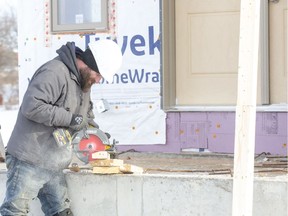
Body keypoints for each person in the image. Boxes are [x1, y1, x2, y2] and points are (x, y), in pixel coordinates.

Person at [0, 39, 122, 216]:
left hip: (53, 160)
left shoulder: (83, 80)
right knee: (14, 212)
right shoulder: (54, 72)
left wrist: (96, 135)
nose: (98, 79)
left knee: (60, 211)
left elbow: (85, 116)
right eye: (99, 74)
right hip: (29, 158)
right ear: (89, 64)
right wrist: (71, 119)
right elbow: (32, 106)